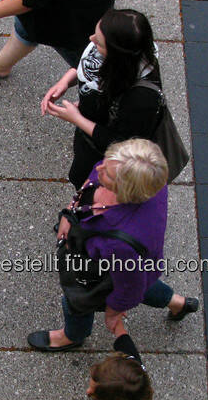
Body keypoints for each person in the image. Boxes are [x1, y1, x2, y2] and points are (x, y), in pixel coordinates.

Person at [27, 138, 199, 353]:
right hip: (136, 267)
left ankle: (71, 336)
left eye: (107, 174)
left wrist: (114, 310)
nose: (99, 168)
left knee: (78, 301)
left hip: (107, 267)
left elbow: (129, 288)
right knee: (141, 281)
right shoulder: (147, 177)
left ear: (126, 190)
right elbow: (93, 180)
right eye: (106, 160)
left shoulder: (119, 244)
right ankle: (178, 303)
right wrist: (70, 212)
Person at [41, 8, 165, 189]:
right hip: (90, 134)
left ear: (117, 54)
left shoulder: (142, 99)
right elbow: (90, 68)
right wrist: (66, 80)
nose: (91, 40)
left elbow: (122, 144)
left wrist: (76, 118)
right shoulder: (129, 57)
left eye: (99, 43)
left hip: (104, 156)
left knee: (86, 183)